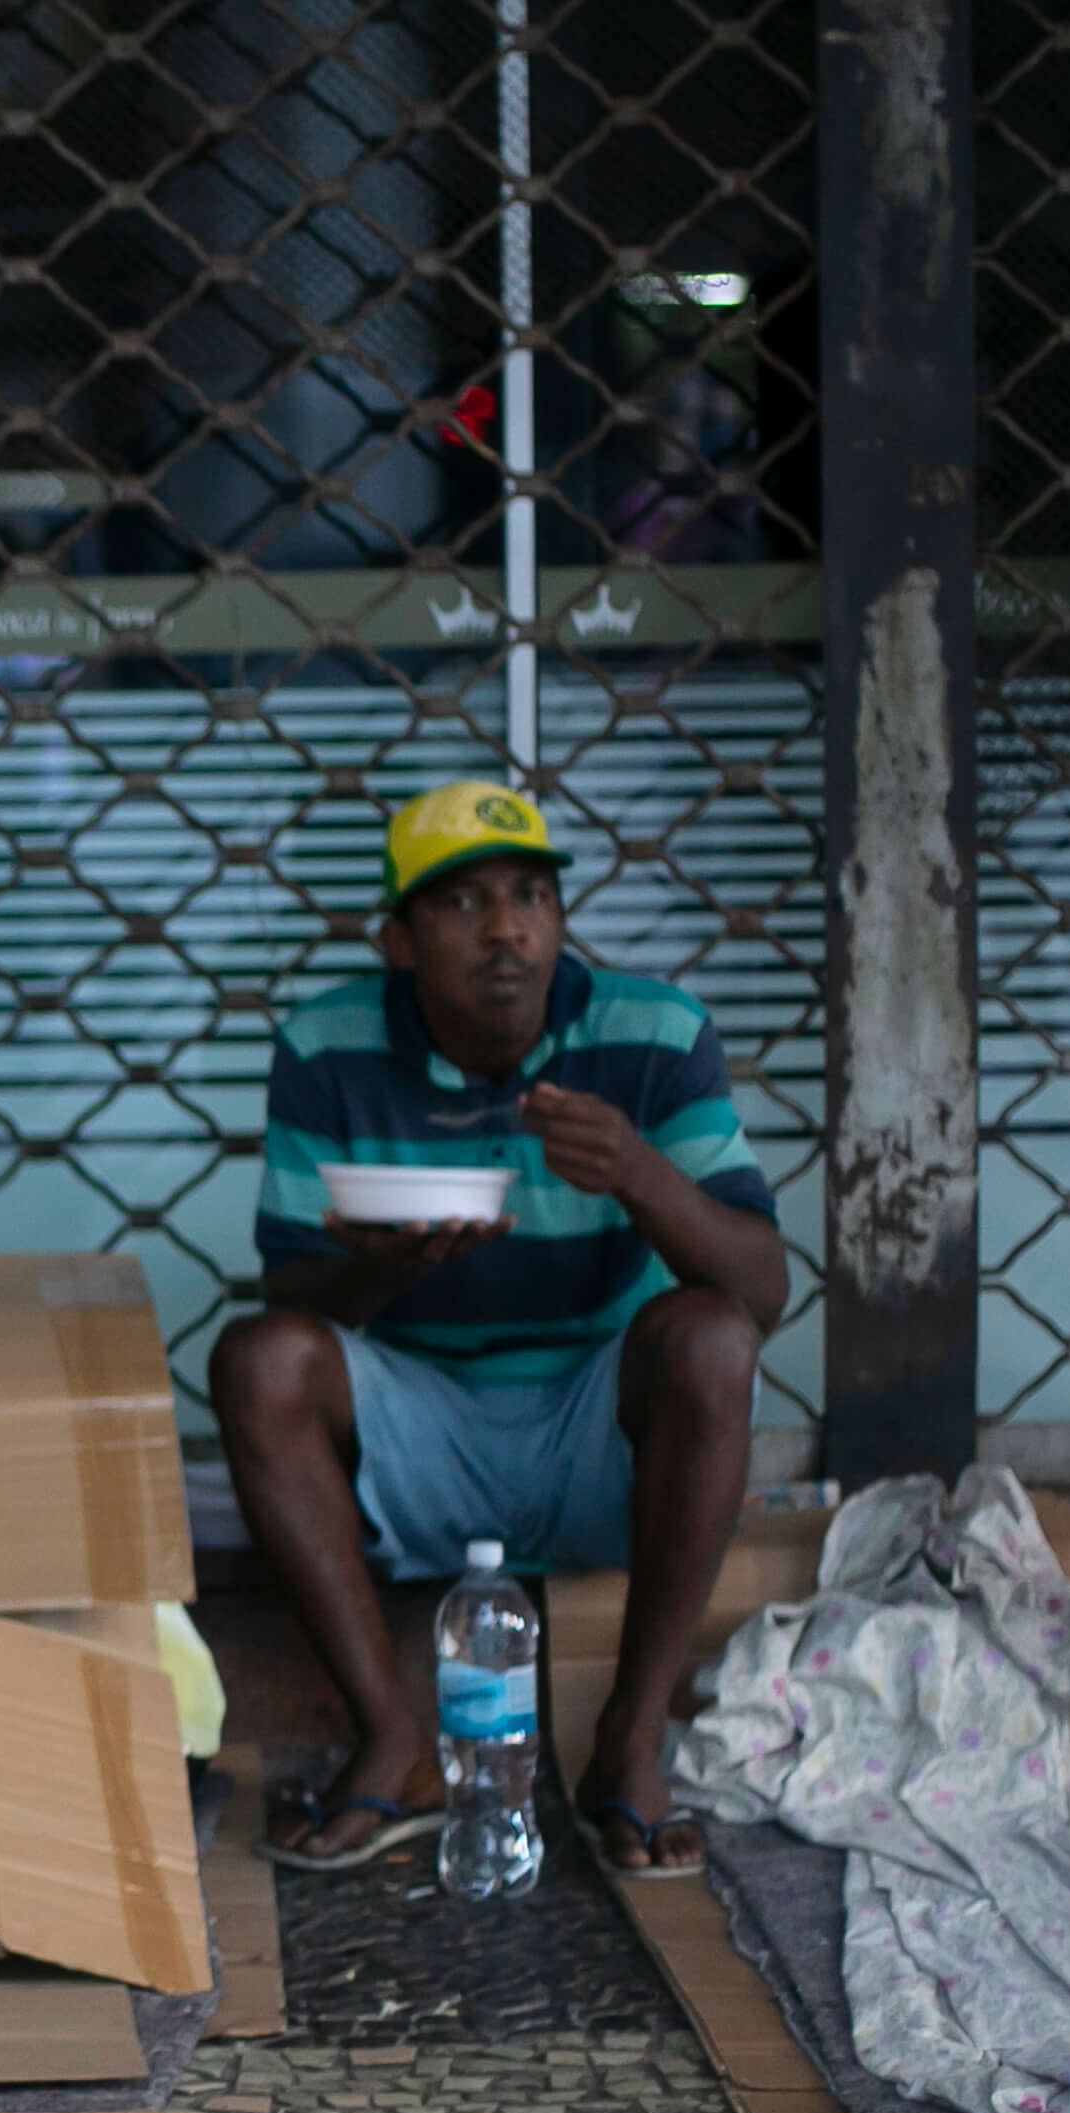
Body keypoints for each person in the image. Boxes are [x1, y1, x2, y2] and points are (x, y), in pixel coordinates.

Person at [213, 781, 782, 1879]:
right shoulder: (328, 1045)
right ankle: (394, 1739)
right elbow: (294, 1298)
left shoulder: (649, 1032)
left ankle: (628, 1738)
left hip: (593, 1427)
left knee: (711, 1336)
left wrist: (641, 1176)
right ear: (396, 940)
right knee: (255, 1359)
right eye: (461, 904)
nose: (506, 927)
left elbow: (764, 1288)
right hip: (418, 1430)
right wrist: (375, 1269)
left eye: (531, 895)